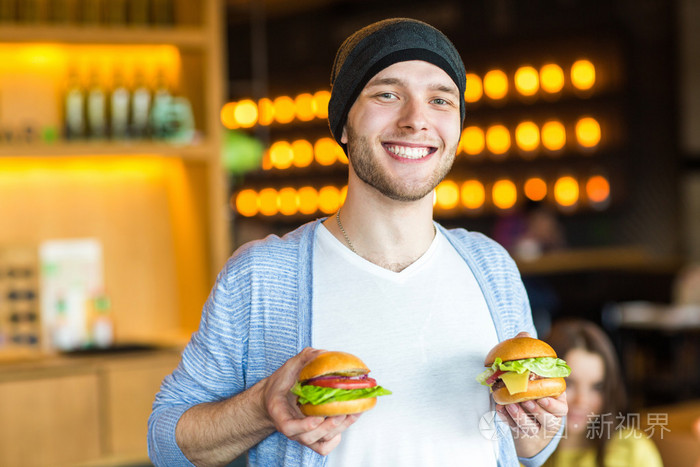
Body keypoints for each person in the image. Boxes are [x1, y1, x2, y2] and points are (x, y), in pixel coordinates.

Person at [148, 18, 568, 466]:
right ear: (343, 124)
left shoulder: (491, 266)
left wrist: (537, 430)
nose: (415, 120)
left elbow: (527, 450)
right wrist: (260, 407)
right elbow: (165, 443)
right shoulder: (263, 276)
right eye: (387, 94)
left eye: (440, 100)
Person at [543, 319, 664, 467]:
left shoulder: (633, 450)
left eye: (596, 387)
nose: (581, 400)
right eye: (569, 384)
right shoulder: (516, 452)